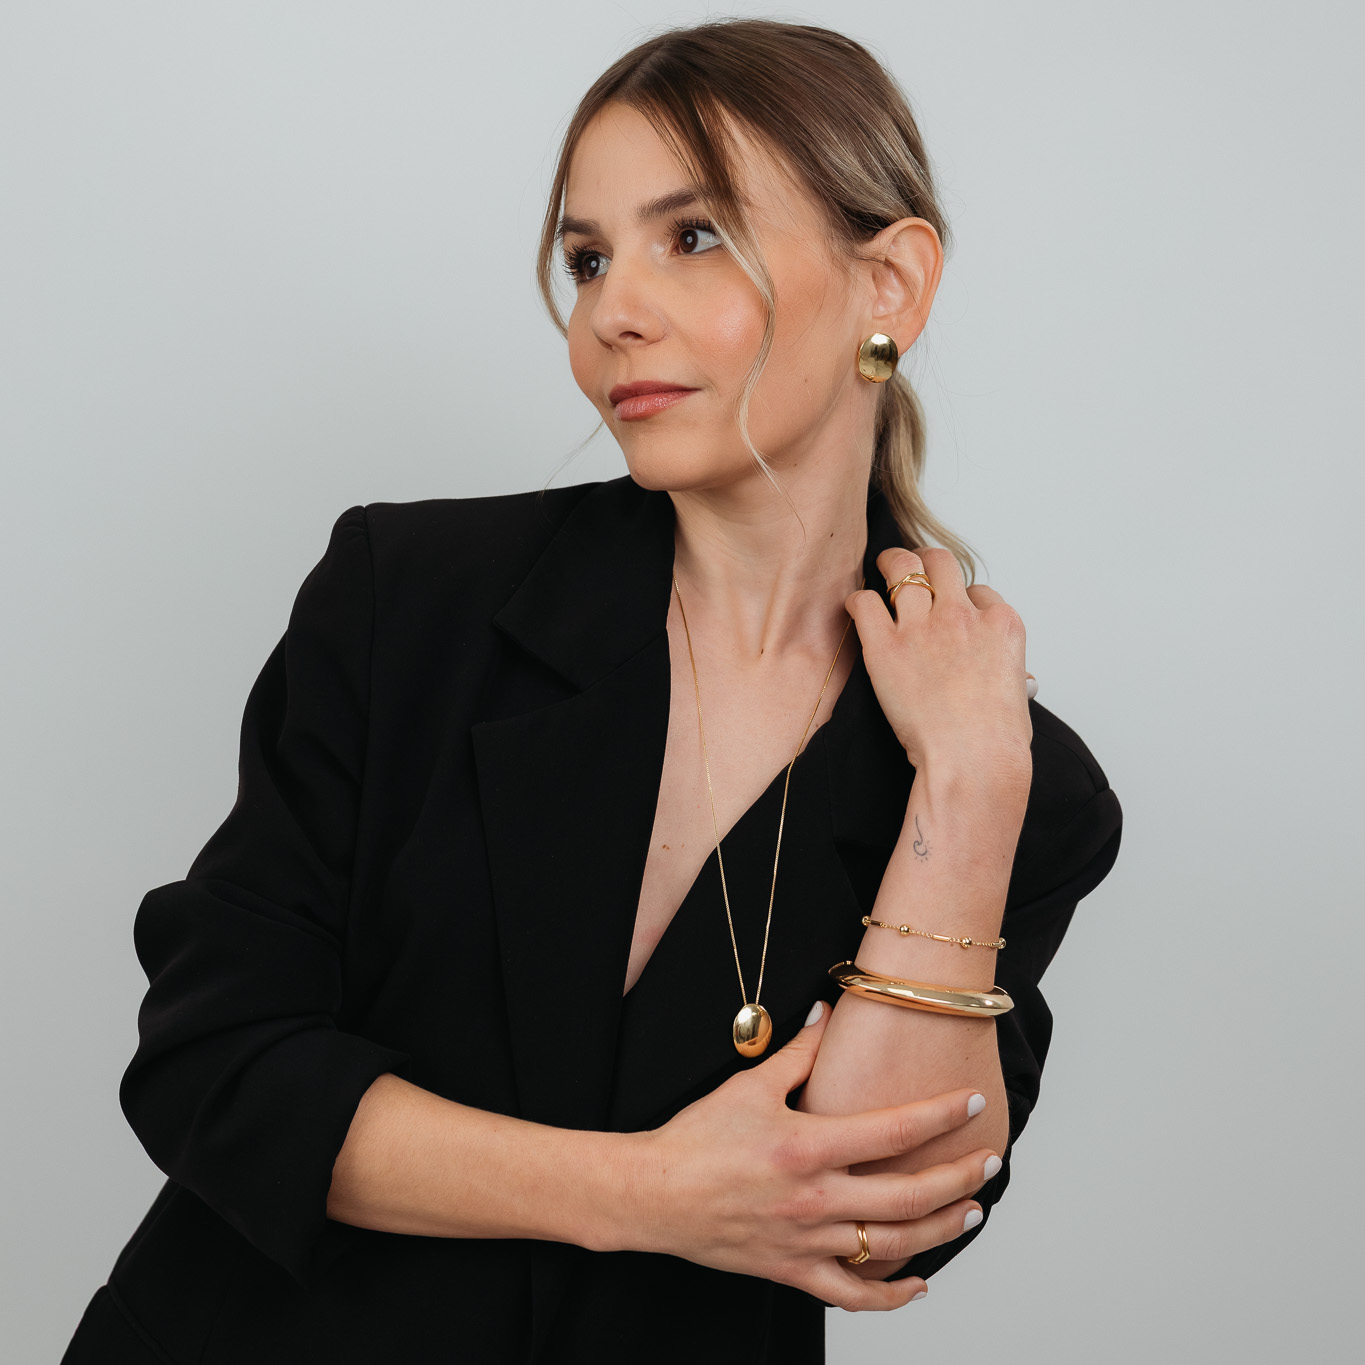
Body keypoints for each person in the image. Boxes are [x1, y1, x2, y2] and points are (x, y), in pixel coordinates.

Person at [61, 17, 1122, 1365]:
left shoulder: (1022, 784)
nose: (612, 309)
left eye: (695, 235)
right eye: (587, 257)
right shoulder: (407, 598)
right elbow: (214, 1064)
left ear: (891, 286)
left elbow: (878, 1222)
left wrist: (967, 792)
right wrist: (649, 1194)